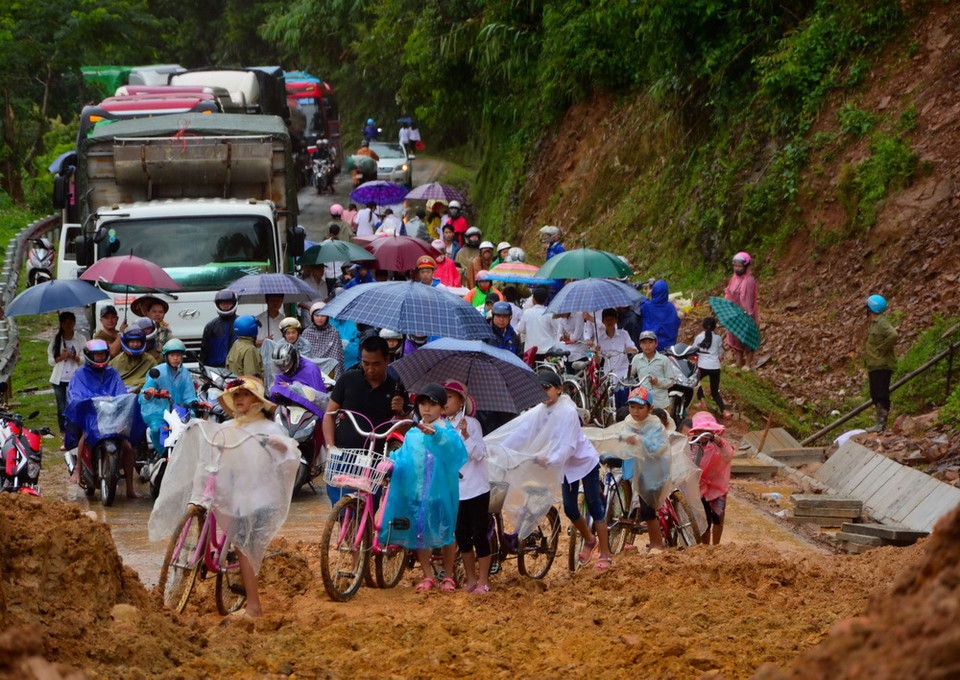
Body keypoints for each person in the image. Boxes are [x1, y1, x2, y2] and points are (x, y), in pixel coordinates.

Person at [377, 383, 467, 592]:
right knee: (420, 532)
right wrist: (389, 463)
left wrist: (436, 436)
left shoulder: (448, 432)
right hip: (417, 491)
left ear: (442, 409)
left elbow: (457, 455)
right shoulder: (412, 434)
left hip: (440, 494)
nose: (426, 409)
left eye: (432, 405)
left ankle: (448, 575)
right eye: (422, 404)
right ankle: (427, 575)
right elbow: (404, 457)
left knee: (446, 533)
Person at [322, 335, 406, 504]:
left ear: (387, 359)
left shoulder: (396, 387)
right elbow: (329, 415)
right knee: (344, 509)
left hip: (375, 460)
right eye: (365, 363)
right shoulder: (348, 379)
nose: (370, 369)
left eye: (376, 364)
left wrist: (401, 412)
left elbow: (405, 429)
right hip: (343, 455)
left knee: (367, 512)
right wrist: (331, 447)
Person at [585, 387, 667, 551]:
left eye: (640, 407)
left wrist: (640, 441)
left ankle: (658, 544)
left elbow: (660, 448)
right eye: (632, 407)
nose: (635, 411)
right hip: (634, 470)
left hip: (652, 472)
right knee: (634, 506)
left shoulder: (655, 425)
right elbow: (616, 437)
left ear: (650, 409)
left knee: (647, 510)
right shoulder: (629, 422)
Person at [65, 339, 141, 498]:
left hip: (112, 415)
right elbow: (75, 394)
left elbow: (120, 391)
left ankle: (130, 488)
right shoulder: (79, 374)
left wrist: (122, 399)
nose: (99, 358)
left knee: (127, 447)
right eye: (96, 355)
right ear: (89, 355)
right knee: (85, 437)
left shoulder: (112, 373)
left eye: (102, 354)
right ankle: (78, 469)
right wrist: (85, 401)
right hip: (92, 416)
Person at [442, 381, 491, 593]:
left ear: (461, 401)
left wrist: (466, 436)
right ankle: (470, 579)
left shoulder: (471, 424)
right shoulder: (441, 426)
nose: (445, 402)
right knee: (461, 536)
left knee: (479, 534)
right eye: (443, 397)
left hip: (476, 488)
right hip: (456, 489)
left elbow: (479, 454)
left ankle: (483, 580)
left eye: (450, 397)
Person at [140, 338, 197, 452]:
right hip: (159, 412)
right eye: (172, 355)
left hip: (180, 412)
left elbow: (189, 394)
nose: (176, 358)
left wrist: (194, 402)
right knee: (156, 430)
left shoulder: (185, 373)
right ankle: (162, 453)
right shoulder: (157, 371)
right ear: (166, 356)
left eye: (178, 355)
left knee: (194, 429)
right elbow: (144, 395)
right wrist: (150, 392)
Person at [688, 411, 734, 545]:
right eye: (701, 430)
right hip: (699, 487)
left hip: (717, 487)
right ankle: (706, 547)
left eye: (706, 430)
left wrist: (720, 443)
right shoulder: (692, 444)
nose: (703, 433)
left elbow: (728, 456)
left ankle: (716, 545)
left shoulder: (719, 443)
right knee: (704, 519)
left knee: (718, 517)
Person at [48, 311, 86, 449]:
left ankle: (76, 435)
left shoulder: (80, 339)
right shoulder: (56, 339)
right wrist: (61, 357)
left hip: (75, 378)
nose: (69, 325)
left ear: (74, 323)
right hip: (59, 378)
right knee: (61, 408)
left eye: (71, 322)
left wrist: (72, 356)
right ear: (61, 324)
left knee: (74, 406)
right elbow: (51, 360)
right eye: (65, 322)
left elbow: (84, 358)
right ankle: (64, 437)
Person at [863, 294, 898, 432]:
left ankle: (881, 424)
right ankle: (879, 423)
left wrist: (882, 349)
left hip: (881, 364)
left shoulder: (882, 322)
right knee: (875, 393)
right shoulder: (873, 322)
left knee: (881, 394)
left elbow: (893, 335)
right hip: (874, 364)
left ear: (871, 308)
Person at [723, 252, 758, 370]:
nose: (737, 269)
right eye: (735, 266)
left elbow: (747, 299)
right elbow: (729, 292)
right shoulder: (734, 278)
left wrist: (747, 313)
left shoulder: (748, 281)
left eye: (739, 267)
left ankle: (748, 363)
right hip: (734, 311)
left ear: (746, 267)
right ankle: (738, 361)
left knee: (747, 336)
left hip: (745, 312)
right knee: (735, 335)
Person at [588, 308, 638, 381]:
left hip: (624, 374)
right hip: (608, 375)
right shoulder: (599, 340)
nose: (609, 322)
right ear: (603, 321)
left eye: (611, 319)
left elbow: (635, 352)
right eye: (606, 319)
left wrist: (631, 350)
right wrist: (596, 353)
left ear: (616, 320)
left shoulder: (624, 334)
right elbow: (598, 362)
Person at [694, 317, 728, 419]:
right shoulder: (718, 338)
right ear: (715, 327)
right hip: (715, 367)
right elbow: (721, 352)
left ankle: (702, 402)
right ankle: (725, 411)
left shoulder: (699, 337)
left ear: (703, 326)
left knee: (695, 382)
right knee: (714, 391)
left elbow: (693, 349)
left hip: (702, 366)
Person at [630, 330, 673, 409]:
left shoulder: (664, 360)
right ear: (640, 345)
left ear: (656, 344)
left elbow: (671, 381)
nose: (647, 346)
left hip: (660, 403)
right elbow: (629, 376)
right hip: (643, 403)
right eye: (644, 343)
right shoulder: (637, 359)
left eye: (650, 342)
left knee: (661, 421)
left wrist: (658, 381)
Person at [302, 302, 345, 379]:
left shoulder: (333, 332)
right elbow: (303, 357)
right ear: (312, 317)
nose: (319, 318)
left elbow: (337, 357)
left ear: (327, 317)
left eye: (323, 315)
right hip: (311, 372)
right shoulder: (307, 332)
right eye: (317, 315)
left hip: (330, 372)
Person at [110, 326, 158, 392]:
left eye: (138, 341)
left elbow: (156, 381)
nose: (135, 344)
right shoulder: (116, 362)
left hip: (144, 397)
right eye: (132, 342)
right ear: (126, 343)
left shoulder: (149, 360)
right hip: (122, 397)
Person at [640, 280, 681, 352]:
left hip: (650, 346)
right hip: (669, 346)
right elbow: (677, 322)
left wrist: (647, 294)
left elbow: (641, 304)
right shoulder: (670, 307)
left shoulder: (647, 306)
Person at [517, 287, 559, 359]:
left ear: (533, 299)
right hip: (547, 350)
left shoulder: (527, 313)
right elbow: (557, 329)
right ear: (545, 299)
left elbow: (520, 329)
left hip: (531, 351)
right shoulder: (549, 313)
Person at [200, 290, 238, 368]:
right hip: (216, 369)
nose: (226, 305)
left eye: (228, 303)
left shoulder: (242, 323)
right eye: (222, 303)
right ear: (218, 304)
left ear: (234, 303)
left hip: (238, 368)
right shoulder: (210, 326)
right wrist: (203, 371)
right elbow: (204, 351)